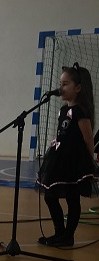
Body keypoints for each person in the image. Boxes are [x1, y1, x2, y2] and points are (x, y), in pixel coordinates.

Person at [37, 63, 97, 247]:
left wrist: (89, 164)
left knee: (72, 198)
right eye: (60, 84)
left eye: (65, 84)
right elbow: (64, 132)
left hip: (74, 161)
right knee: (49, 196)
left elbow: (88, 139)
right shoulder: (63, 110)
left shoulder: (80, 112)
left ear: (77, 88)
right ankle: (59, 232)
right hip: (59, 157)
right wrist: (57, 140)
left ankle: (68, 236)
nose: (61, 87)